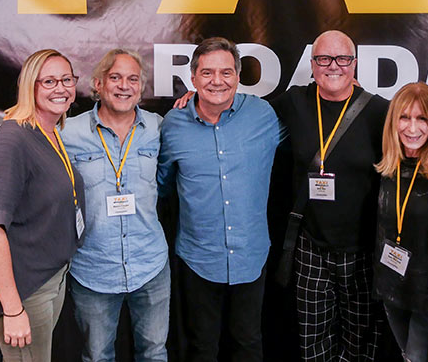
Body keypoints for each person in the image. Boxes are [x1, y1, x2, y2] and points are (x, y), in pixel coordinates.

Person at [158, 37, 283, 362]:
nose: (217, 81)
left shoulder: (263, 115)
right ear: (193, 78)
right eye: (208, 73)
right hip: (198, 258)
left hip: (250, 256)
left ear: (238, 76)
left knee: (247, 344)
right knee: (201, 347)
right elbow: (162, 185)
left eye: (226, 72)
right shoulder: (173, 124)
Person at [271, 29, 389, 362]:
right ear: (312, 63)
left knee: (361, 342)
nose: (332, 66)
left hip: (362, 251)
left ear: (354, 64)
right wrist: (198, 97)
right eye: (324, 59)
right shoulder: (296, 101)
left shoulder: (380, 112)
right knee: (313, 341)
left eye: (342, 59)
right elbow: (245, 114)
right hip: (311, 247)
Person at [0, 49, 85, 362]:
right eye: (48, 81)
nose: (60, 88)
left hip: (50, 277)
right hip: (25, 290)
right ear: (29, 87)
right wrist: (14, 309)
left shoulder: (50, 132)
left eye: (66, 79)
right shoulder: (11, 140)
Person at [62, 49, 170, 362]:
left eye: (132, 79)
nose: (124, 85)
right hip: (93, 266)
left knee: (154, 353)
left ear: (141, 87)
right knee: (97, 356)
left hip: (150, 264)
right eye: (115, 77)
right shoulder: (69, 133)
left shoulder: (160, 128)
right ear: (98, 84)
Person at [373, 82, 428, 362]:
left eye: (421, 118)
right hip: (393, 288)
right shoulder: (390, 164)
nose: (412, 128)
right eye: (405, 117)